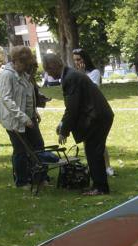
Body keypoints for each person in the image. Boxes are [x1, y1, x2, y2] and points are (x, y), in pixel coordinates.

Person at [43, 53, 114, 196]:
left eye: (48, 70)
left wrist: (64, 130)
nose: (48, 74)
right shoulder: (70, 75)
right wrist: (63, 123)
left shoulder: (70, 78)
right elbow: (73, 106)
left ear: (54, 66)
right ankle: (98, 185)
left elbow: (72, 108)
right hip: (99, 116)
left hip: (97, 117)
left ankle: (100, 188)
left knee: (94, 152)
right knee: (93, 151)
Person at [0, 46, 44, 188]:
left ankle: (39, 177)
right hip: (13, 120)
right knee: (21, 150)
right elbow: (7, 99)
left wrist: (33, 112)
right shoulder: (7, 75)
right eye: (23, 64)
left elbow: (28, 96)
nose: (26, 67)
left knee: (38, 146)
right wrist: (24, 118)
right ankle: (21, 181)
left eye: (27, 63)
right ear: (15, 61)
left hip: (28, 117)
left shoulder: (22, 74)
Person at [73, 48, 113, 177]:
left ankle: (107, 166)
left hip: (95, 110)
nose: (77, 62)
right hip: (84, 111)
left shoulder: (94, 72)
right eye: (74, 60)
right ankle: (93, 166)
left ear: (85, 59)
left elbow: (92, 89)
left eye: (79, 59)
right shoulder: (76, 73)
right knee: (87, 141)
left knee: (100, 141)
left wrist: (81, 75)